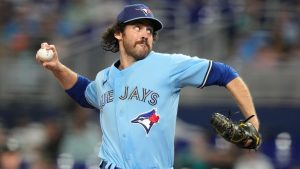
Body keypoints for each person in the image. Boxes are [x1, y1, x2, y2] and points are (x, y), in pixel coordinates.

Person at [36, 3, 260, 169]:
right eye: (138, 27)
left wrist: (252, 120)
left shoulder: (169, 65)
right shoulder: (104, 77)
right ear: (118, 33)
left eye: (150, 30)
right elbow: (85, 93)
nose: (145, 34)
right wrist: (57, 67)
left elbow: (226, 73)